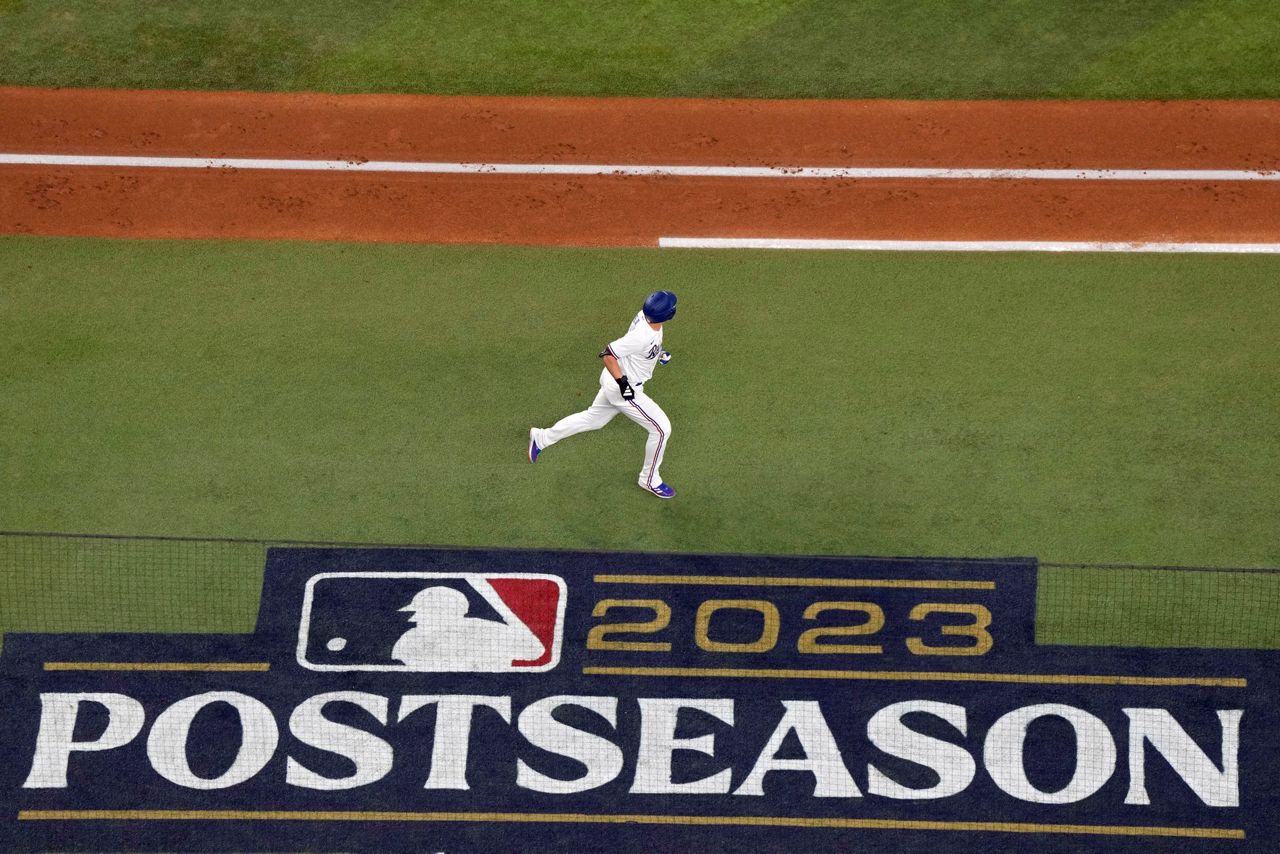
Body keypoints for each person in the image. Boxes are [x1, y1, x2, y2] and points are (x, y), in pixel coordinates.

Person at [528, 291, 677, 498]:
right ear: (669, 314)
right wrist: (623, 383)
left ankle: (541, 437)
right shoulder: (642, 336)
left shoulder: (647, 320)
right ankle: (649, 479)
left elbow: (641, 347)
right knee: (661, 429)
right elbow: (608, 354)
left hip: (611, 381)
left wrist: (658, 353)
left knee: (593, 419)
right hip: (624, 388)